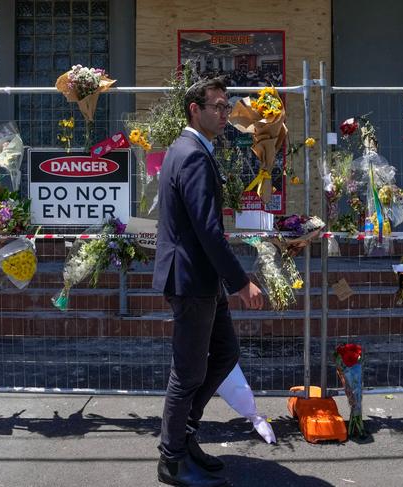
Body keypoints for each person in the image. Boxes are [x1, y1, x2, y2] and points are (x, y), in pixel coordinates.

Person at [152, 77, 264, 487]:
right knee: (187, 372)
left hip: (200, 279)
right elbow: (206, 231)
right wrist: (241, 282)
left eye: (226, 105)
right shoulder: (193, 154)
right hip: (192, 280)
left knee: (224, 352)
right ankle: (172, 460)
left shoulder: (187, 151)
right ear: (194, 109)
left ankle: (184, 437)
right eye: (217, 105)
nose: (224, 112)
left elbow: (197, 219)